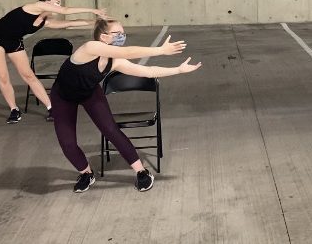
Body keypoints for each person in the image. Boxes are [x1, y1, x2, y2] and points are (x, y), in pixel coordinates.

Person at [51, 18, 202, 193]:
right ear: (103, 37)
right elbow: (129, 52)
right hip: (63, 96)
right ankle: (86, 173)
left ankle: (141, 172)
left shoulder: (115, 60)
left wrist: (177, 70)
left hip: (90, 93)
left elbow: (148, 71)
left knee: (111, 130)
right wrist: (161, 50)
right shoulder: (90, 47)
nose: (122, 37)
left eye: (124, 33)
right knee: (67, 143)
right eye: (118, 34)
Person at [0, 0, 107, 124]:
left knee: (28, 75)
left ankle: (51, 107)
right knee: (3, 76)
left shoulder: (45, 21)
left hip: (14, 41)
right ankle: (14, 110)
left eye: (60, 3)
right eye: (56, 2)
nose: (59, 6)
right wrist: (94, 10)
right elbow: (65, 11)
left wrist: (94, 22)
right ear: (46, 3)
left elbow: (69, 23)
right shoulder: (36, 6)